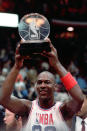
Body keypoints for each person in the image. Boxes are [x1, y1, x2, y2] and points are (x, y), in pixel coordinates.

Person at [0, 38, 84, 131]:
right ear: (35, 86)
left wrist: (57, 64)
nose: (43, 85)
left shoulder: (63, 110)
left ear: (55, 87)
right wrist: (17, 66)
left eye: (47, 82)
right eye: (39, 82)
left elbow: (79, 98)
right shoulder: (27, 108)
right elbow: (3, 99)